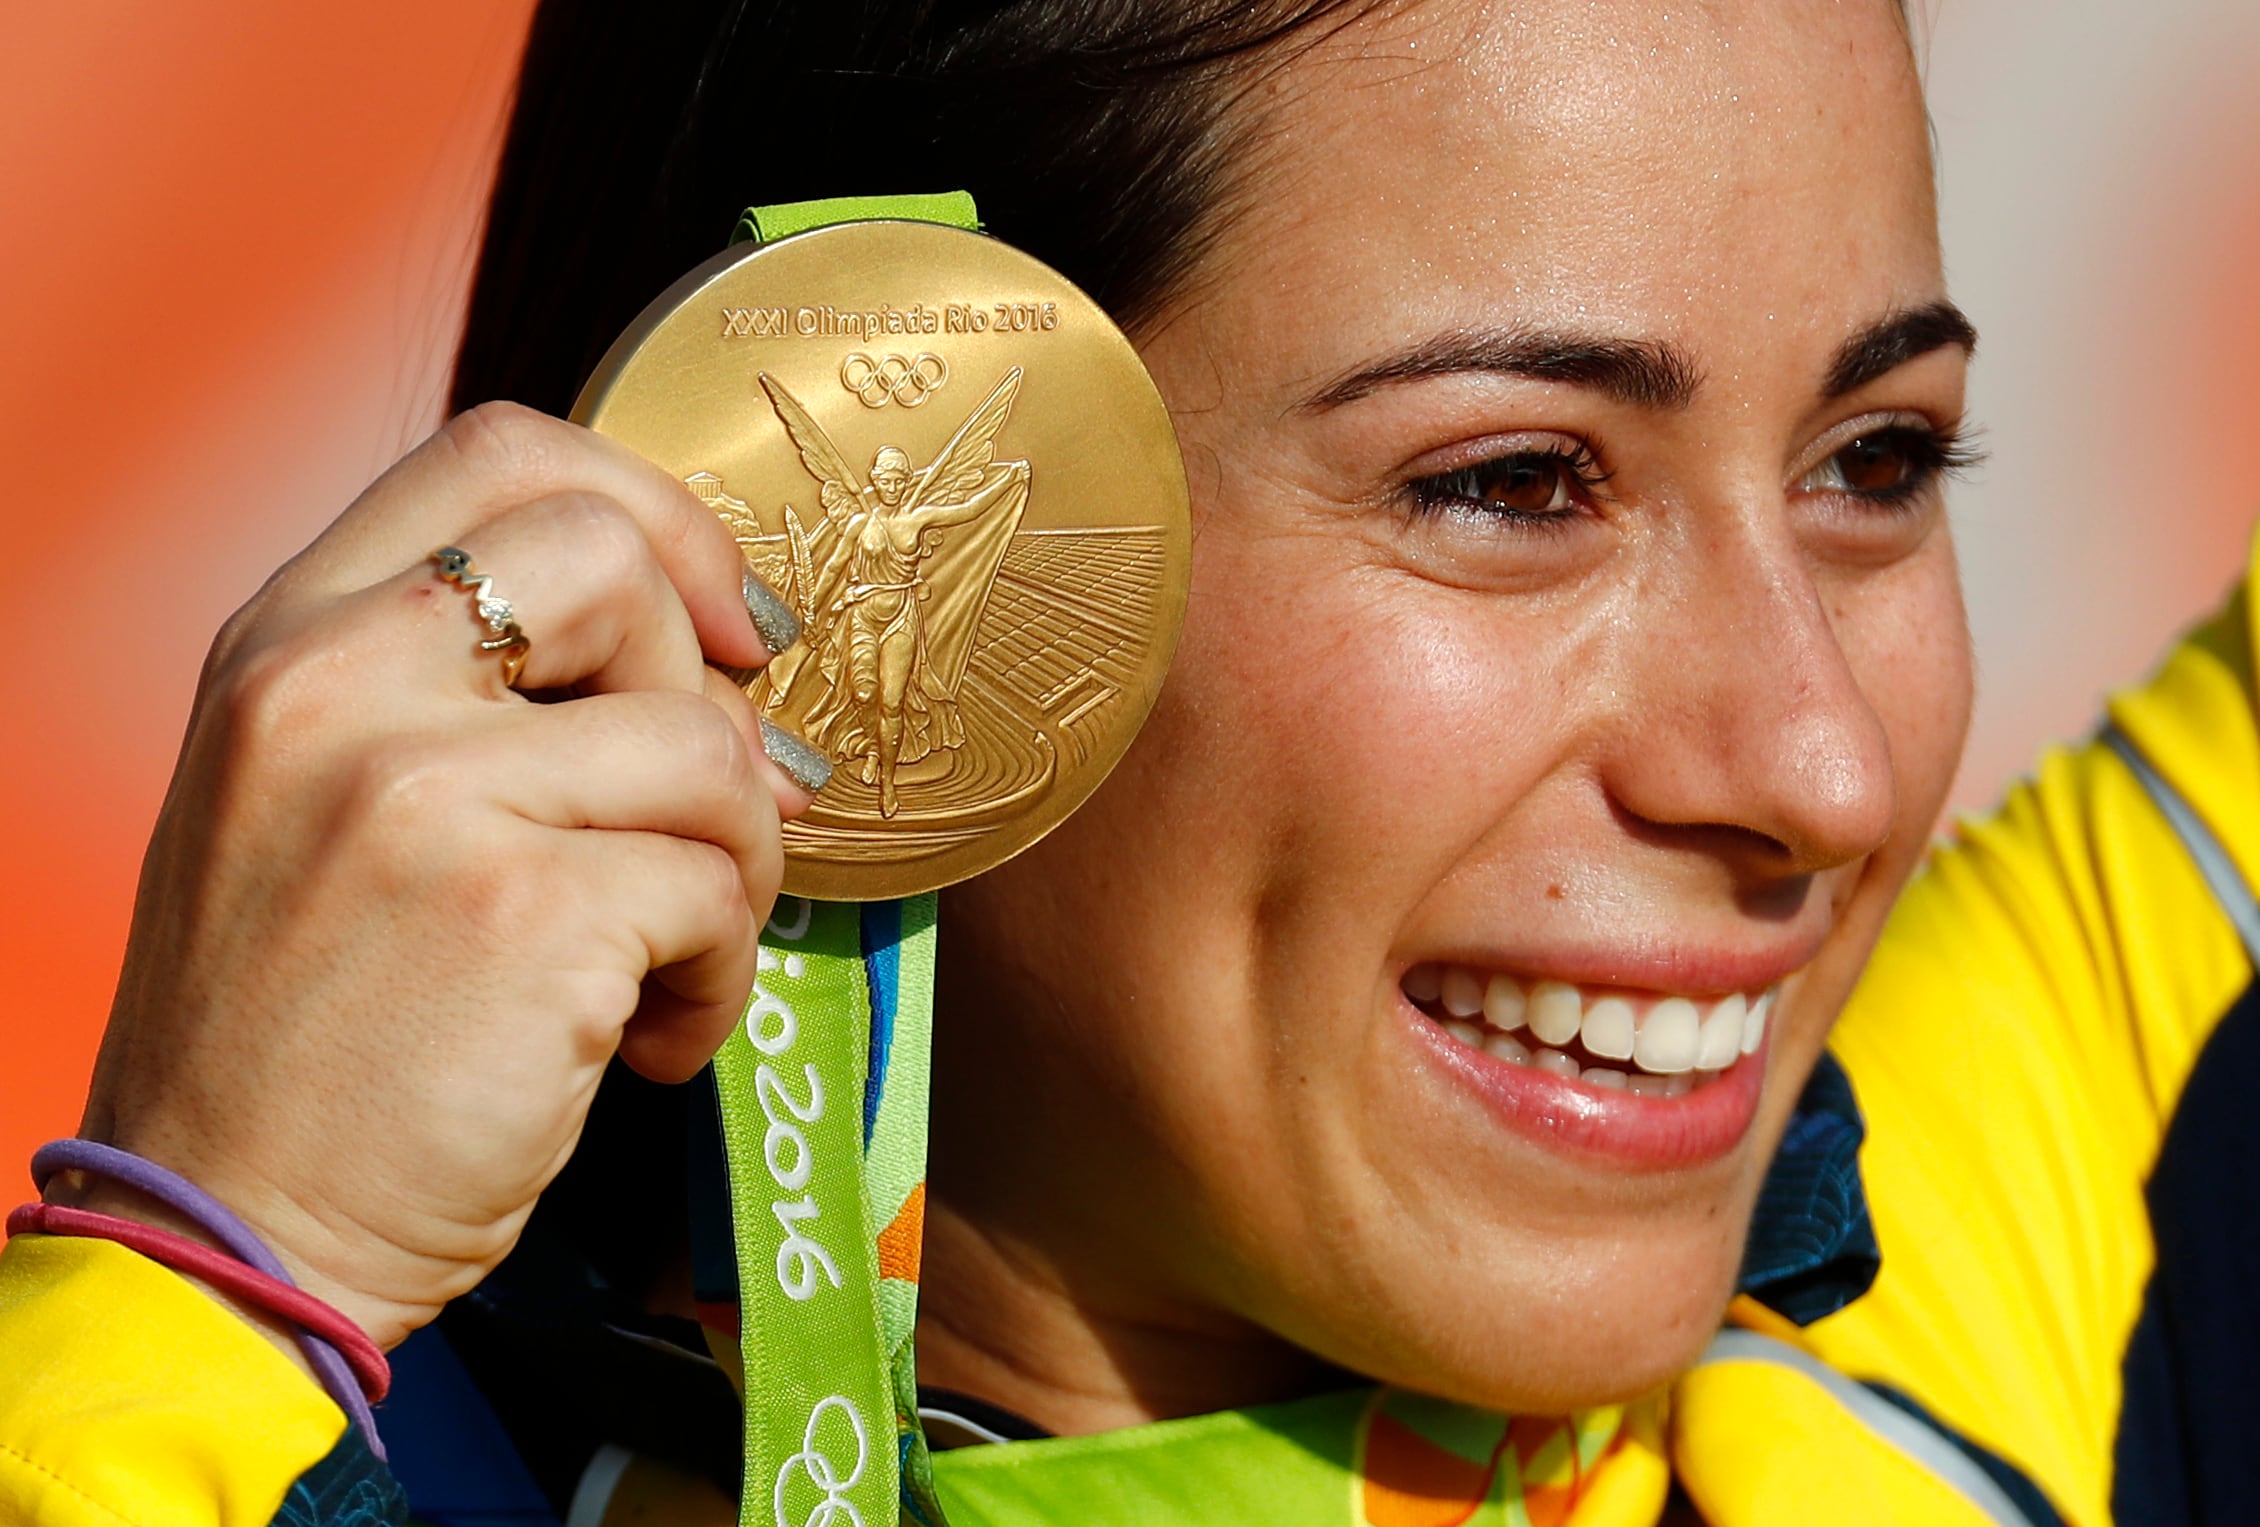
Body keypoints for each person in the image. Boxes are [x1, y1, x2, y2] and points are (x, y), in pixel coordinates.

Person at [1, 0, 2251, 1523]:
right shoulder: (222, 1436)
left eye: (1877, 456)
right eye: (1511, 483)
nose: (1819, 764)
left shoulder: (2034, 1216)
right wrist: (216, 1297)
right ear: (825, 501)